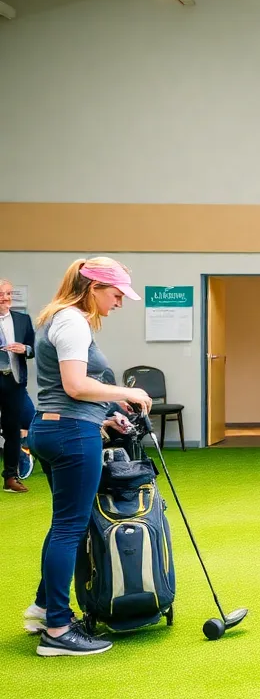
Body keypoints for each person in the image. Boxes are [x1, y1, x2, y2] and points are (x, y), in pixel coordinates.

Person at [22, 257, 153, 656]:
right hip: (71, 434)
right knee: (69, 529)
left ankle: (43, 610)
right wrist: (127, 394)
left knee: (65, 525)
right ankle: (58, 633)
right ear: (93, 287)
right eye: (116, 294)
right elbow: (76, 385)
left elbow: (71, 392)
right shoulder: (73, 321)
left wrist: (107, 413)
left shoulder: (58, 317)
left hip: (56, 427)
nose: (119, 303)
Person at [1, 279, 36, 493]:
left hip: (13, 381)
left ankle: (11, 477)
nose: (4, 298)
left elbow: (34, 349)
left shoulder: (22, 320)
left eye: (8, 294)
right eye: (0, 294)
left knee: (13, 430)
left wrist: (25, 349)